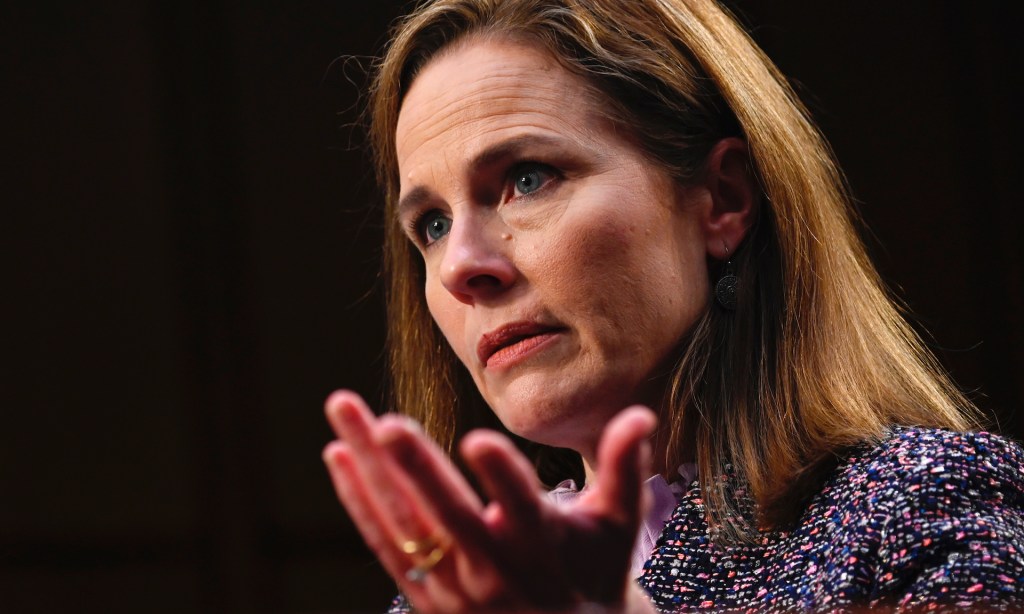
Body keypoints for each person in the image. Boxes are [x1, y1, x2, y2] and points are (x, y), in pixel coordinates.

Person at [321, 0, 1024, 611]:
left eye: (527, 179)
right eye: (432, 226)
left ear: (722, 200)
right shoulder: (456, 599)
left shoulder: (920, 507)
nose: (461, 268)